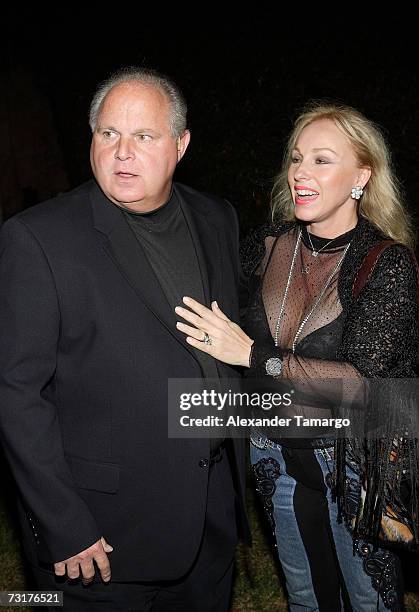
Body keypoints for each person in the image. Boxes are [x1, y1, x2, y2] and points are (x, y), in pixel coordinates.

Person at [0, 66, 249, 612]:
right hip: (102, 537)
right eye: (108, 133)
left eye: (144, 136)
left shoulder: (217, 218)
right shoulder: (38, 238)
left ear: (181, 145)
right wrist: (64, 524)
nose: (122, 153)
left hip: (209, 522)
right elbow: (18, 393)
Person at [175, 102, 419, 611]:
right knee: (306, 597)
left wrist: (252, 355)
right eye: (296, 158)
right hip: (275, 453)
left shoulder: (386, 262)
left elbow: (359, 386)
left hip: (354, 463)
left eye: (321, 160)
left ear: (362, 176)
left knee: (370, 600)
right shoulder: (265, 246)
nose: (300, 174)